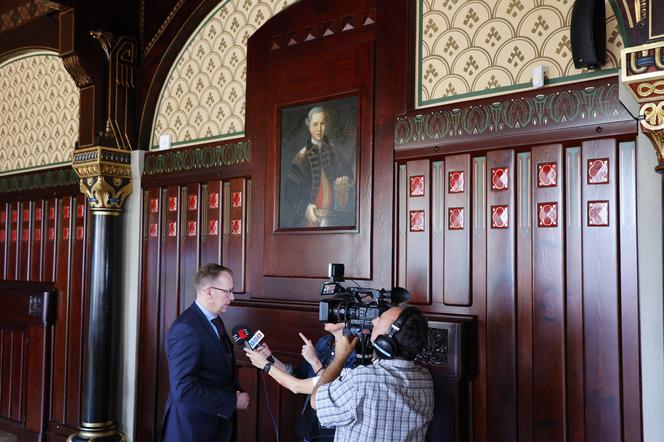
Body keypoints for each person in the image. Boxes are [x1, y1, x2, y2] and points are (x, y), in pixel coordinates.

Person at [310, 306, 434, 442]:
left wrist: (340, 357)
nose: (374, 321)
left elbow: (316, 401)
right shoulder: (425, 378)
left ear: (388, 338)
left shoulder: (363, 379)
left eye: (380, 320)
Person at [161, 264, 250, 442]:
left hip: (215, 425)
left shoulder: (215, 320)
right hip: (193, 429)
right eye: (228, 291)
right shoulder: (186, 329)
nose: (232, 297)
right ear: (209, 291)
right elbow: (184, 390)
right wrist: (232, 402)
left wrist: (236, 392)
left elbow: (218, 369)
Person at [245, 323, 356, 441]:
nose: (324, 314)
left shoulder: (358, 352)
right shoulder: (324, 342)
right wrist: (269, 358)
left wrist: (315, 362)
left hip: (333, 431)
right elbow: (297, 377)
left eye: (333, 307)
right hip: (310, 424)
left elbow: (331, 391)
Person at [283, 106, 354, 228]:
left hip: (334, 219)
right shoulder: (302, 156)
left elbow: (348, 178)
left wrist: (344, 186)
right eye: (315, 124)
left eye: (322, 124)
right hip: (311, 220)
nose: (319, 129)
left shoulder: (334, 152)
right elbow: (291, 191)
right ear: (308, 124)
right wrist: (305, 209)